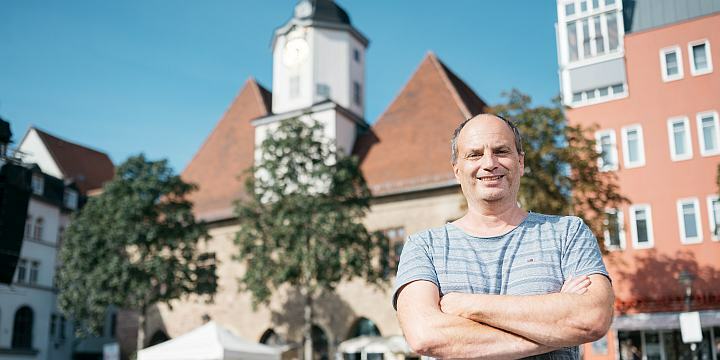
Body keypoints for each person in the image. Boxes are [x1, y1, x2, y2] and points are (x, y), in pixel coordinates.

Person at [393, 114, 614, 359]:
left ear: (520, 162)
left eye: (501, 151)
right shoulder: (424, 247)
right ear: (457, 170)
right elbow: (426, 336)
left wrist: (467, 305)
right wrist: (558, 328)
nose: (489, 163)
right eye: (475, 154)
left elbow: (593, 318)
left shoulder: (568, 233)